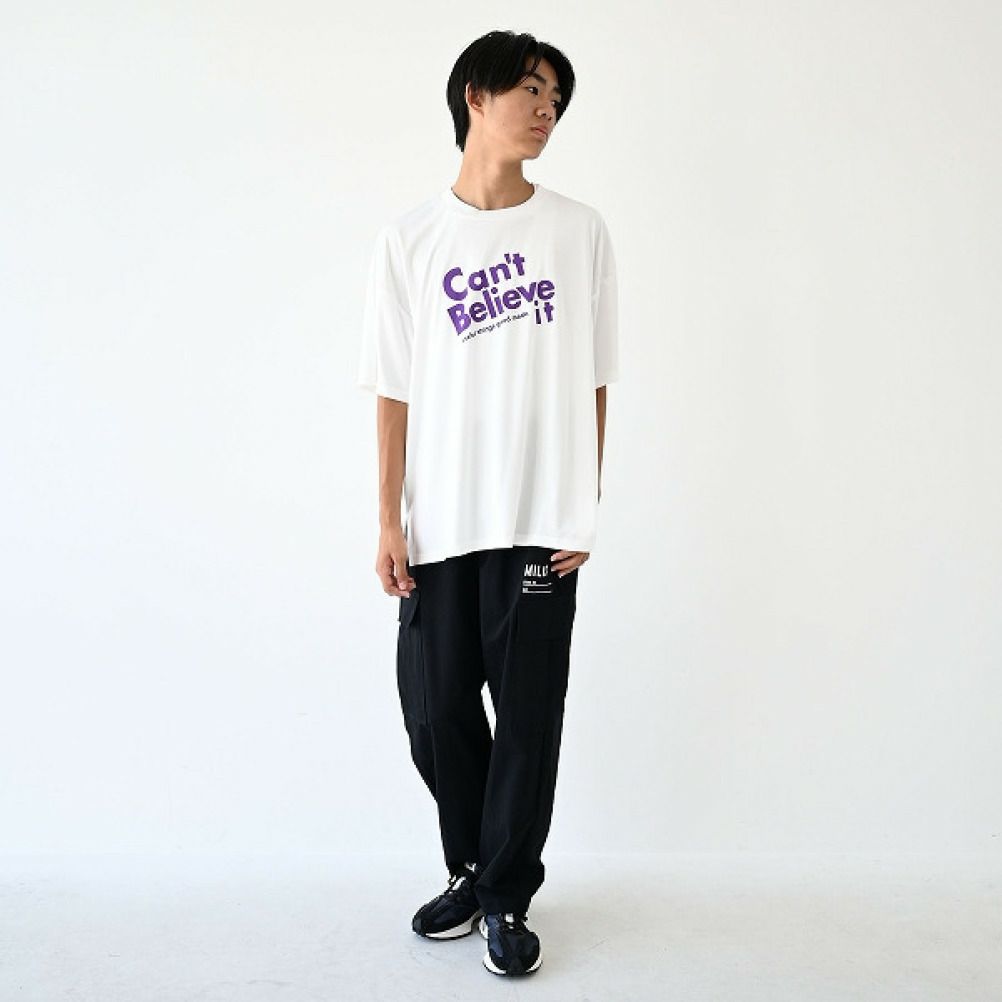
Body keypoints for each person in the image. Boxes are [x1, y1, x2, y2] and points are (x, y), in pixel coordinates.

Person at [356, 29, 619, 977]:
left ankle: (506, 896)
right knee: (433, 712)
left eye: (557, 98)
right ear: (477, 94)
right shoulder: (411, 238)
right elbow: (392, 389)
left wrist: (582, 505)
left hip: (539, 522)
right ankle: (472, 866)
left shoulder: (578, 231)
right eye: (532, 90)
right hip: (439, 520)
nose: (547, 110)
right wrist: (388, 517)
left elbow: (597, 375)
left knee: (528, 720)